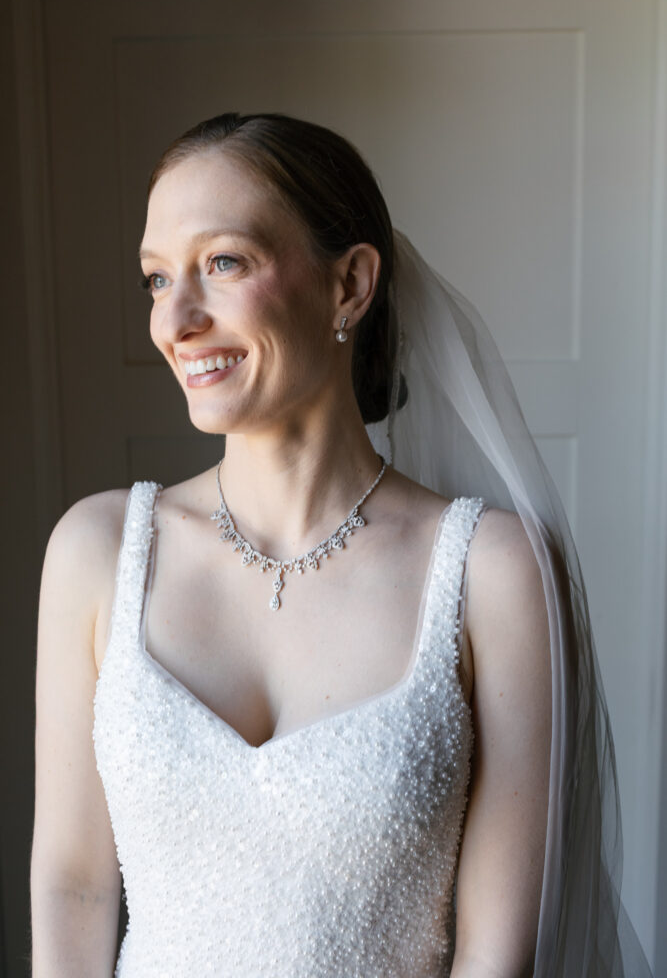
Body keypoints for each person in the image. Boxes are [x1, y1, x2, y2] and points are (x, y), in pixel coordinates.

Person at [29, 113, 652, 977]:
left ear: (350, 285)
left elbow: (496, 953)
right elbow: (74, 885)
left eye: (223, 262)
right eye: (154, 279)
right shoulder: (96, 552)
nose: (175, 320)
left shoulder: (491, 575)